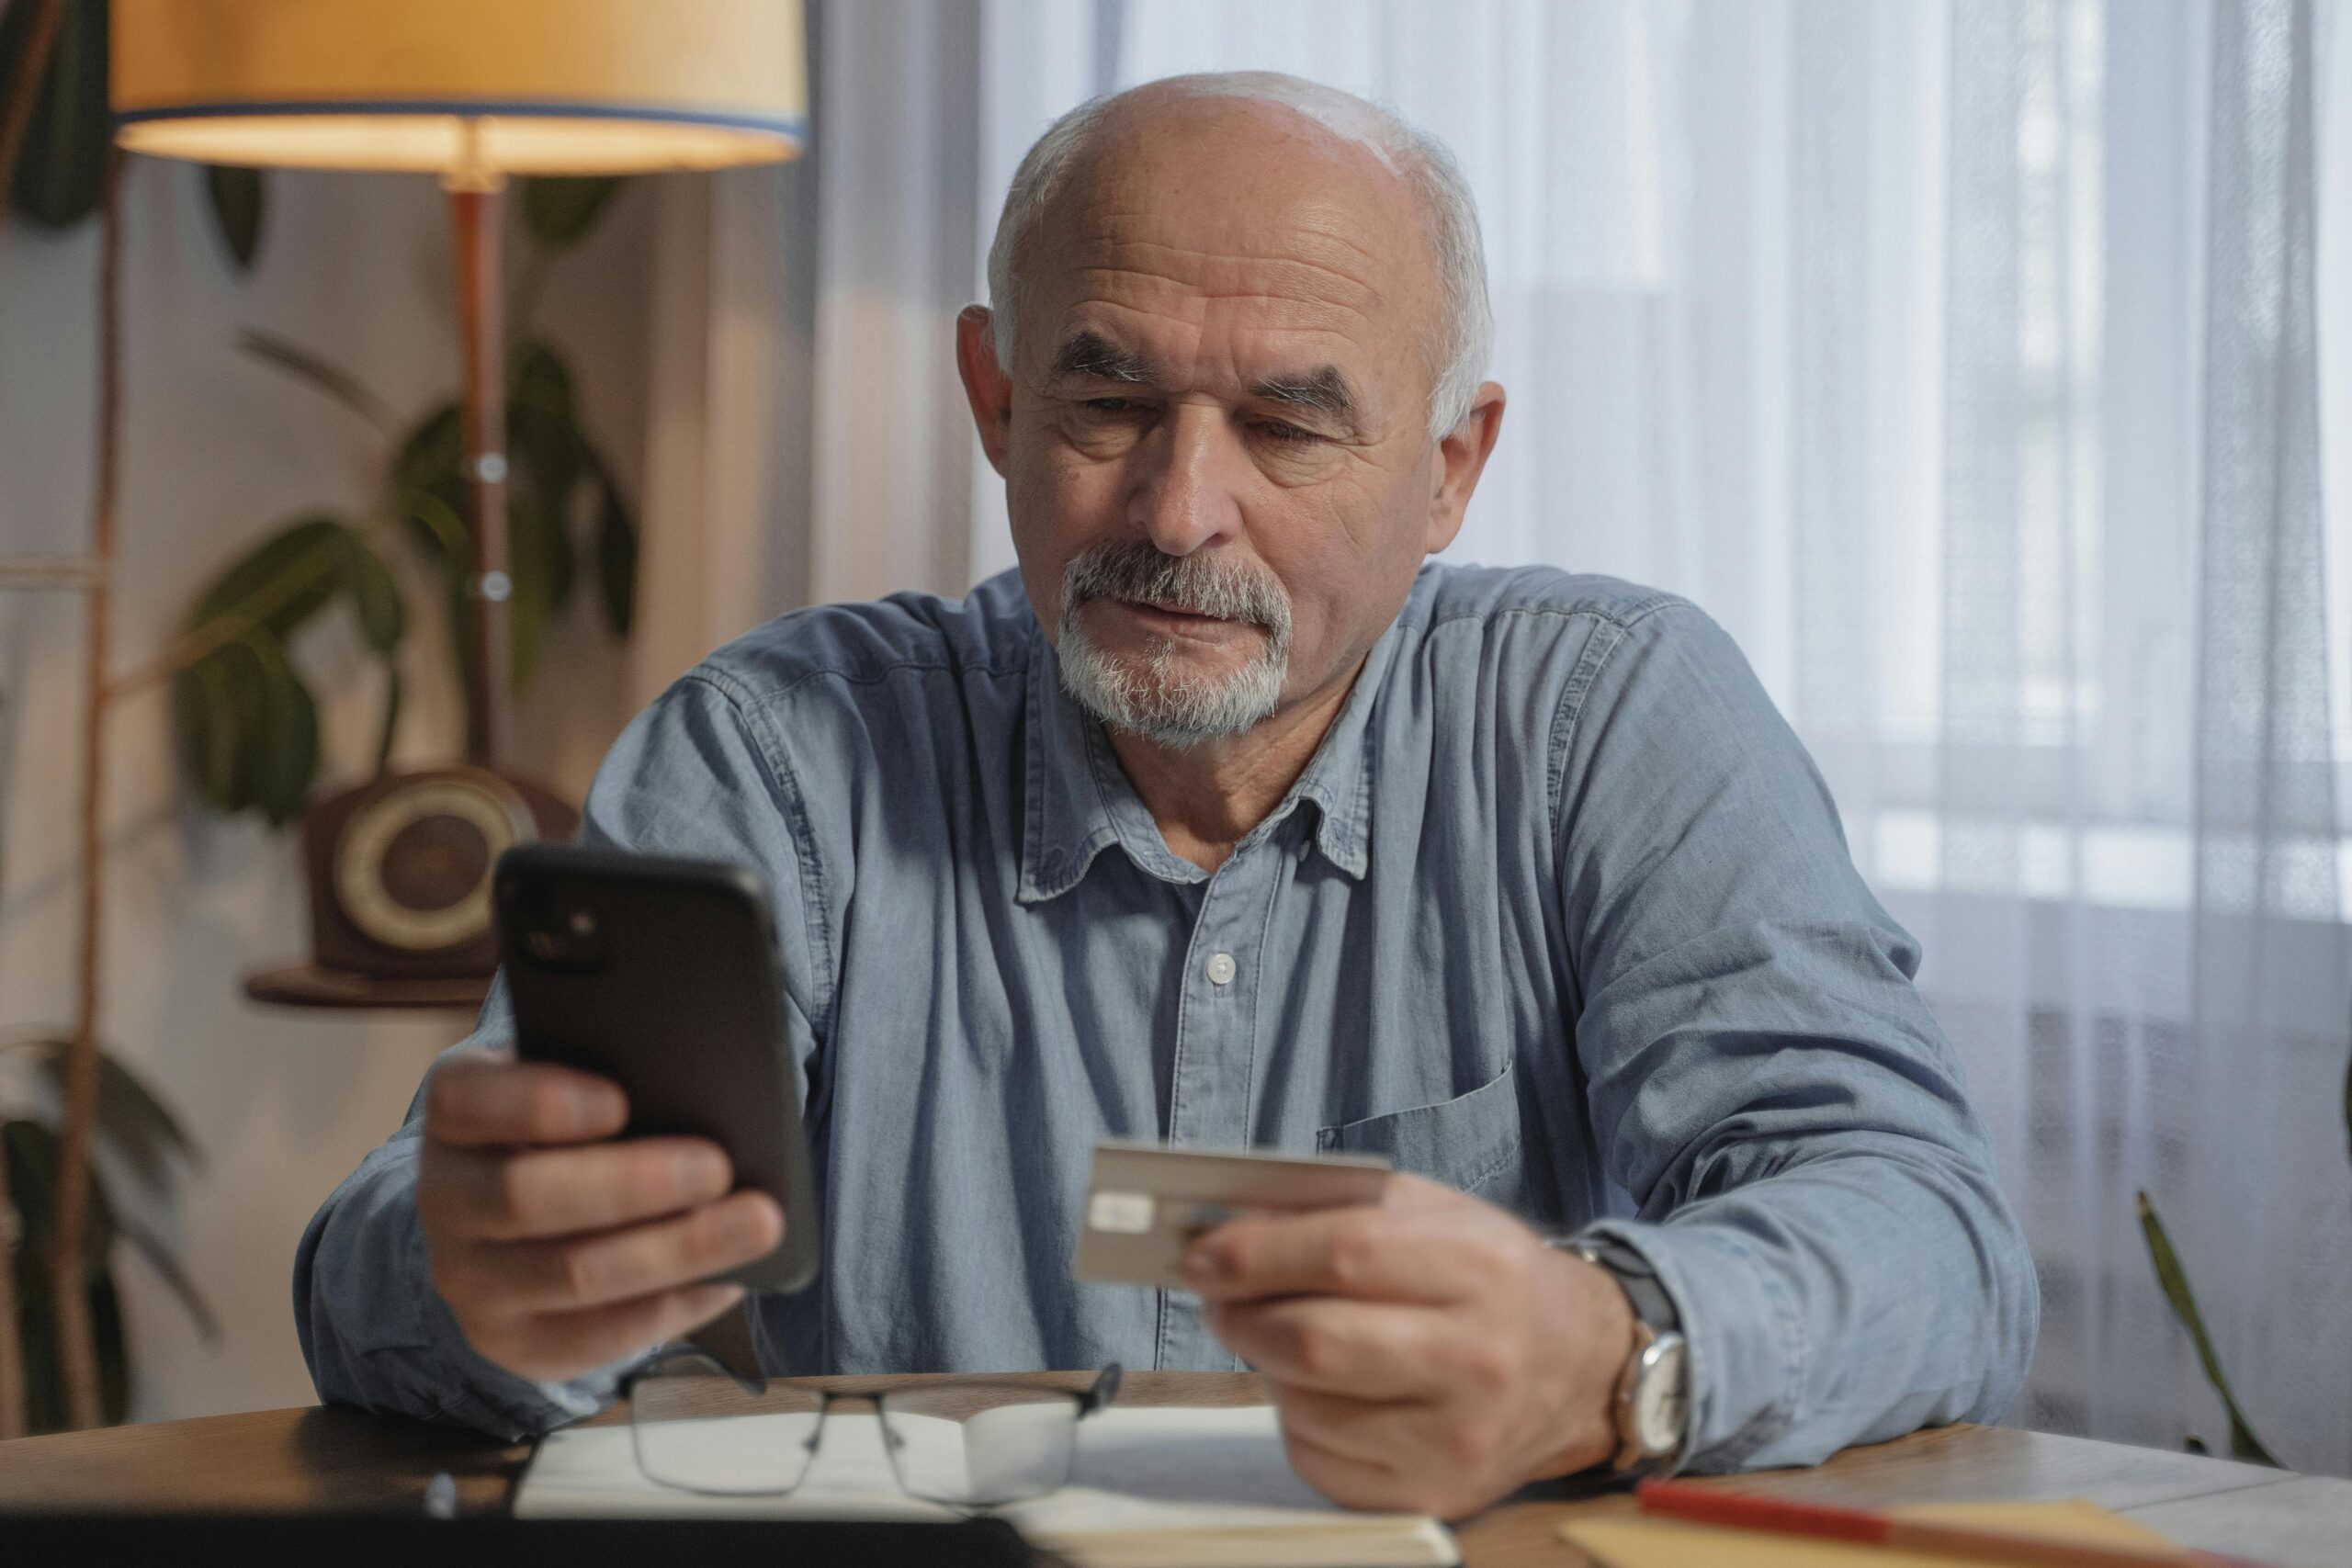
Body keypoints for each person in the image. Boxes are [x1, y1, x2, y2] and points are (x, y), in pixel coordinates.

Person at [296, 73, 2036, 1517]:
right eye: (1109, 396)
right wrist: (476, 1275)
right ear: (993, 396)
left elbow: (1928, 1233)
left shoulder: (1606, 718)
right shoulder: (782, 756)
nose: (1179, 509)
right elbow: (385, 1252)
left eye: (1289, 427)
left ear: (1449, 471)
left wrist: (1613, 1351)